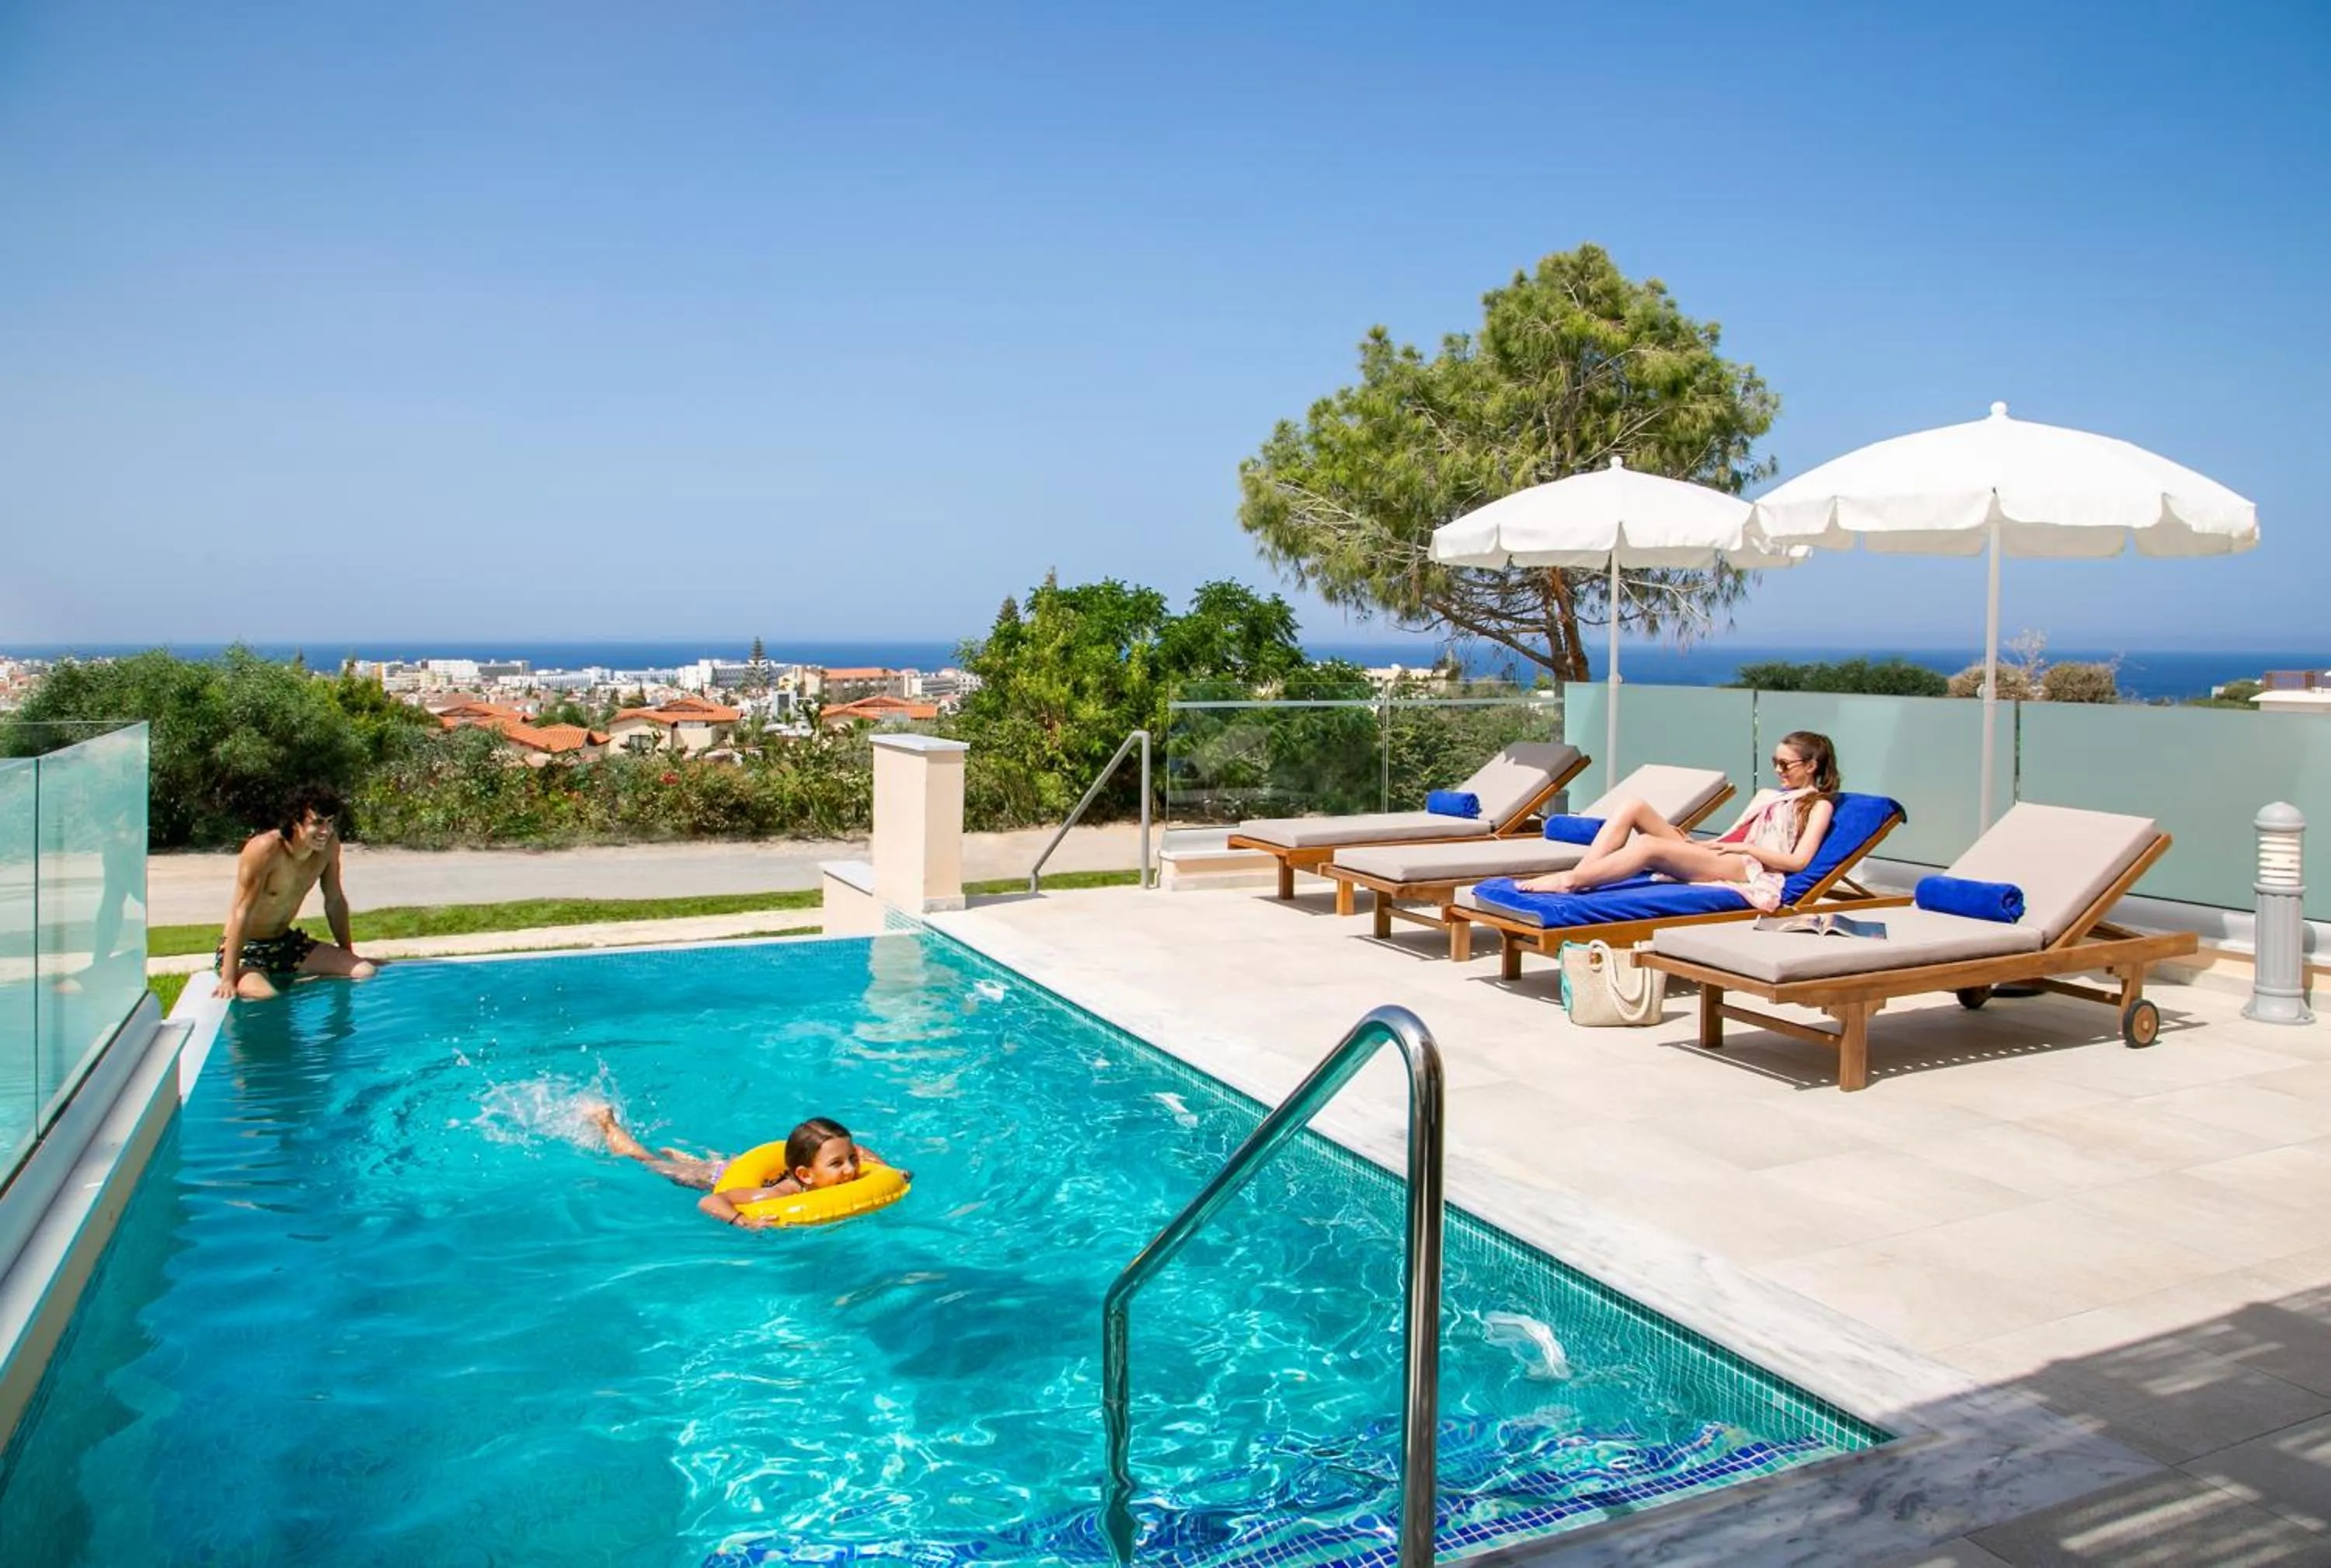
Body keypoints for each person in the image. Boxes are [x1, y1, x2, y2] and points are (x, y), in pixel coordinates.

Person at [1515, 730, 1841, 911]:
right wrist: (1700, 846)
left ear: (1811, 765)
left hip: (1748, 865)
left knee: (1648, 845)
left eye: (1786, 764)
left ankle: (1571, 882)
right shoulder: (1769, 795)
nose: (1778, 770)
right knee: (1633, 806)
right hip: (1723, 853)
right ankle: (1581, 873)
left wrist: (1741, 848)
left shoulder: (1818, 805)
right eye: (1775, 763)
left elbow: (1798, 862)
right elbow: (1735, 832)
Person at [586, 1106, 904, 1229]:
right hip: (721, 1179)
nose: (850, 1168)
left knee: (704, 1162)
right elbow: (709, 1201)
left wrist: (888, 1172)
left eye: (850, 1160)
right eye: (837, 1164)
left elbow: (861, 1150)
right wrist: (742, 1221)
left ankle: (685, 1155)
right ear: (806, 1175)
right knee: (655, 1165)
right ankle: (608, 1125)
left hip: (743, 1165)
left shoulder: (851, 1167)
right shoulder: (776, 1194)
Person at [212, 784, 379, 1000]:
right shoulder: (265, 849)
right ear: (295, 821)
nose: (325, 832)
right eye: (317, 823)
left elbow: (334, 900)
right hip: (248, 949)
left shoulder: (329, 847)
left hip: (286, 944)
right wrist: (228, 978)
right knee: (267, 996)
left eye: (330, 822)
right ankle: (273, 983)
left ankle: (296, 987)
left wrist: (347, 952)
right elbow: (242, 912)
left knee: (364, 972)